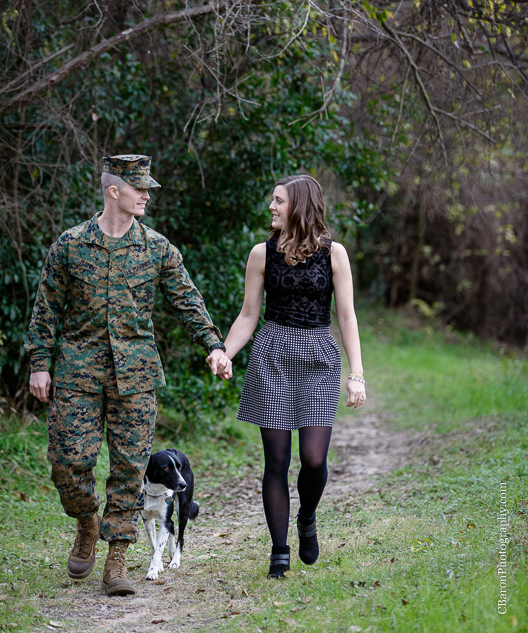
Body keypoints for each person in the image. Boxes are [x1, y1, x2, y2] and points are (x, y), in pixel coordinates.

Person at [26, 155, 231, 596]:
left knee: (130, 469)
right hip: (78, 372)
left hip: (136, 376)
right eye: (140, 189)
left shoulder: (157, 248)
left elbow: (187, 301)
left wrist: (214, 346)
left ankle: (117, 557)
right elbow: (46, 308)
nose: (147, 196)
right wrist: (39, 362)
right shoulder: (70, 244)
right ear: (114, 191)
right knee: (67, 463)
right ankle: (87, 521)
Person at [212, 174, 365, 578]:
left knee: (313, 459)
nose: (272, 207)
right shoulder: (261, 254)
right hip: (273, 355)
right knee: (276, 460)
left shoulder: (334, 254)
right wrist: (224, 352)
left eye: (279, 201)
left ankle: (307, 516)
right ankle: (279, 551)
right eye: (273, 200)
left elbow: (346, 317)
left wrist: (357, 373)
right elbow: (249, 315)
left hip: (318, 357)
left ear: (300, 205)